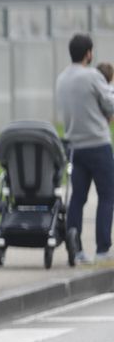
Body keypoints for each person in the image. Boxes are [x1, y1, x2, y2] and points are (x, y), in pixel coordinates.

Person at [58, 34, 114, 263]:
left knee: (78, 198)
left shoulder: (61, 79)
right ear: (88, 53)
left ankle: (76, 248)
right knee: (107, 195)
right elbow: (110, 103)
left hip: (74, 146)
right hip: (98, 144)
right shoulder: (92, 76)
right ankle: (102, 250)